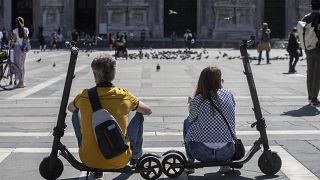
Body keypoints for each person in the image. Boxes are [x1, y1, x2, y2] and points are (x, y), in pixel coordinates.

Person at [67, 54, 152, 178]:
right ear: (113, 74)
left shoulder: (84, 95)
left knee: (76, 113)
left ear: (95, 75)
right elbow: (148, 110)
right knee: (138, 114)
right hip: (120, 159)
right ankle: (135, 156)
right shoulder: (124, 95)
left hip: (89, 160)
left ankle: (91, 154)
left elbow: (70, 108)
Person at [183, 66, 236, 174]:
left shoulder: (198, 99)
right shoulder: (228, 93)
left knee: (187, 122)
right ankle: (225, 163)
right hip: (227, 151)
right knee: (227, 122)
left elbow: (192, 119)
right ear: (219, 80)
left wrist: (191, 106)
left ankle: (190, 162)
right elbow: (232, 109)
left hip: (201, 152)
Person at [301, 0, 320, 107]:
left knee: (310, 73)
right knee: (317, 74)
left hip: (308, 49)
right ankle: (314, 98)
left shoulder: (306, 17)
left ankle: (310, 96)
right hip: (318, 49)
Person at [10, 17, 30, 88]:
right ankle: (22, 81)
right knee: (22, 65)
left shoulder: (14, 31)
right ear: (23, 22)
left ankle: (20, 82)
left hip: (17, 48)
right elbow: (27, 39)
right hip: (24, 49)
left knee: (17, 66)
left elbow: (13, 41)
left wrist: (11, 44)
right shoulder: (26, 30)